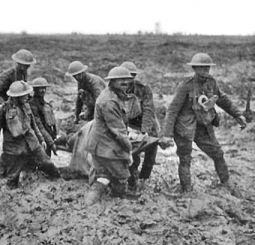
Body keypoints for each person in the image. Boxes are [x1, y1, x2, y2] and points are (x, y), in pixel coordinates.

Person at [160, 53, 247, 193]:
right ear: (195, 68)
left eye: (208, 67)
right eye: (202, 67)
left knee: (218, 153)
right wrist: (167, 134)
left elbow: (222, 99)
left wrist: (237, 114)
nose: (206, 70)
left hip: (203, 126)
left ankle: (226, 182)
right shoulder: (185, 86)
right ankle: (186, 190)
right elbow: (172, 110)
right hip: (184, 128)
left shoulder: (212, 83)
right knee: (185, 159)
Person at [0, 80, 60, 189]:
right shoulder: (2, 110)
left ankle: (59, 184)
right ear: (16, 97)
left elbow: (34, 125)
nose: (27, 96)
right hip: (14, 150)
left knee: (48, 165)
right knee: (12, 180)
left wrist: (41, 140)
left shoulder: (27, 106)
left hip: (33, 145)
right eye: (24, 95)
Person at [85, 67, 140, 205]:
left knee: (103, 175)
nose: (125, 82)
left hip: (101, 143)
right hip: (106, 145)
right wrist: (129, 151)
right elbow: (118, 130)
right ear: (112, 81)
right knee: (122, 176)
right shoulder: (108, 101)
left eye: (126, 79)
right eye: (120, 80)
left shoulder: (115, 94)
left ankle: (91, 203)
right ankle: (117, 199)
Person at [120, 61, 161, 190]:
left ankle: (144, 177)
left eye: (131, 76)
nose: (128, 80)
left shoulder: (143, 89)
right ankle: (132, 176)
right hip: (129, 123)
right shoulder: (115, 90)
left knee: (151, 149)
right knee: (132, 150)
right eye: (125, 77)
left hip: (146, 122)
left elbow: (149, 111)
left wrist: (144, 131)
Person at [28, 77, 58, 157]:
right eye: (40, 88)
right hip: (39, 139)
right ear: (35, 89)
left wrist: (53, 137)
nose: (43, 90)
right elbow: (39, 125)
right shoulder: (32, 104)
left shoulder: (44, 103)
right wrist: (51, 143)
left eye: (44, 88)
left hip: (47, 137)